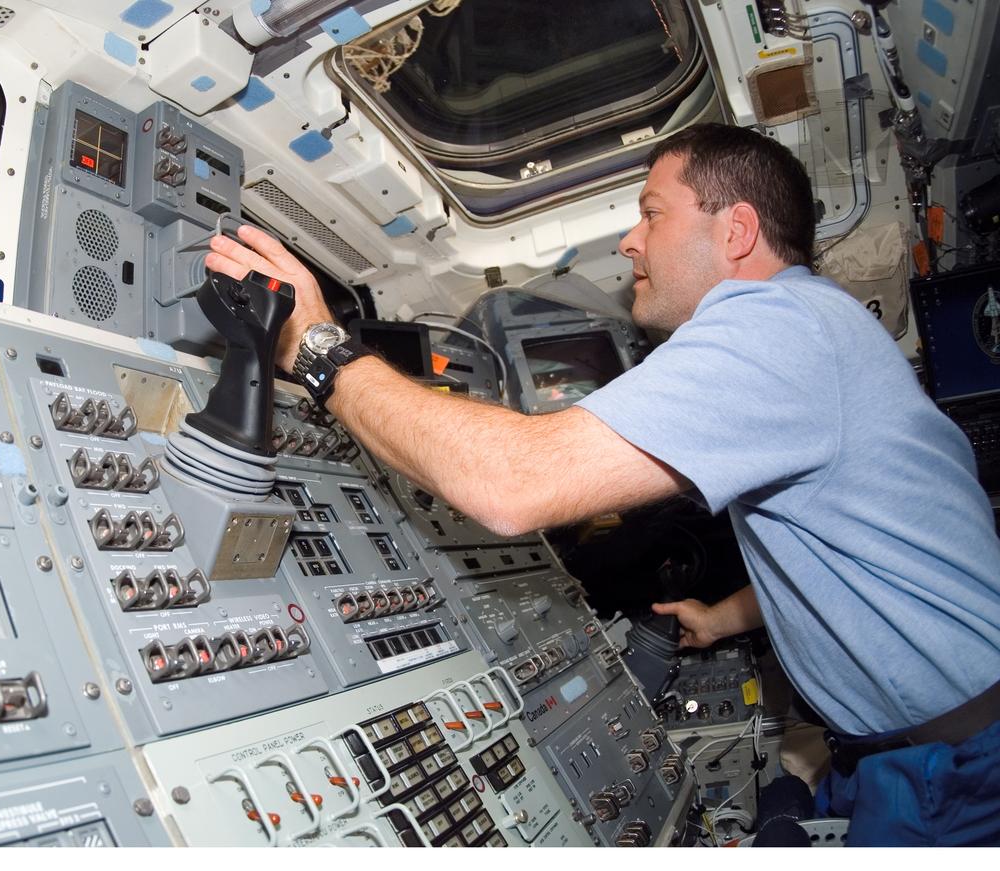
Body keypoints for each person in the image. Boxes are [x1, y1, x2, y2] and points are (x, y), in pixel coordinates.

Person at [206, 123, 1000, 846]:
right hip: (908, 745)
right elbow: (840, 541)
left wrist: (317, 349)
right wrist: (725, 615)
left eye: (652, 213)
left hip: (958, 766)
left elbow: (511, 485)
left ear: (739, 230)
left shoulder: (777, 328)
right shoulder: (814, 329)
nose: (629, 240)